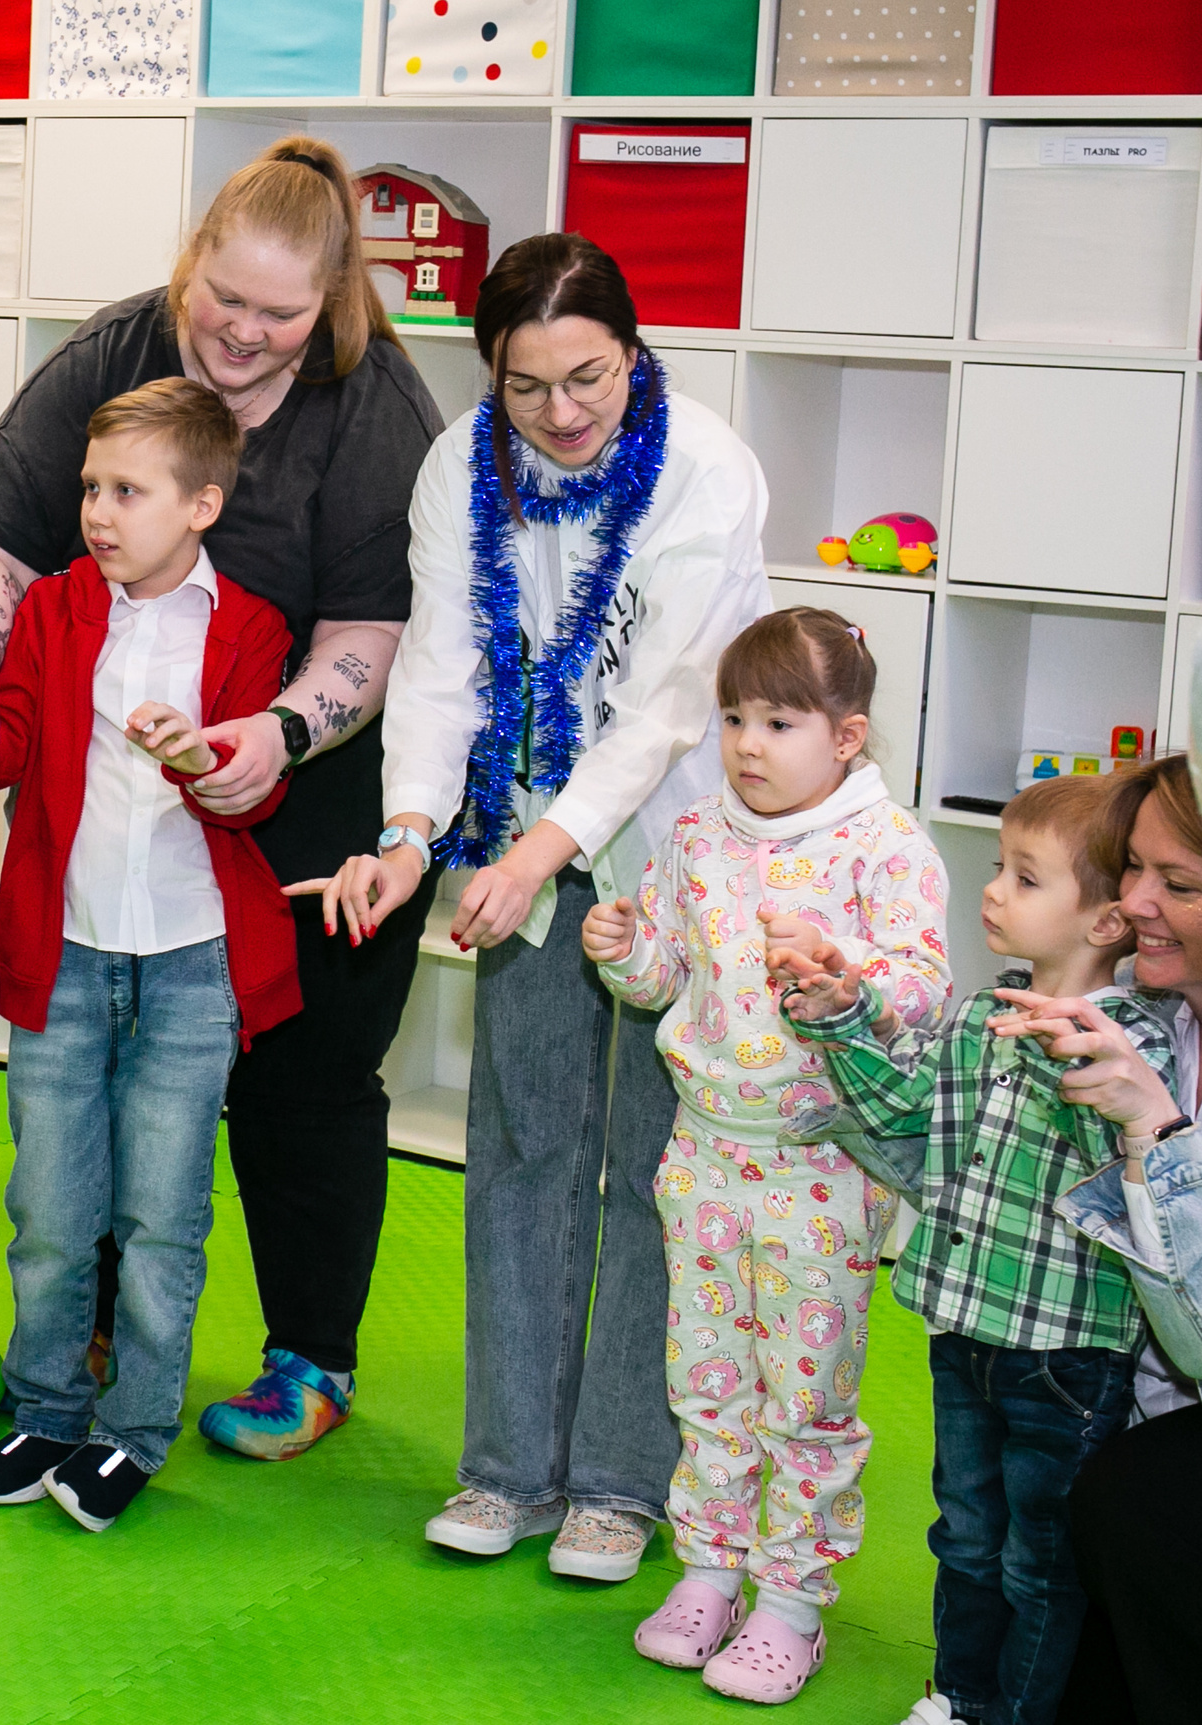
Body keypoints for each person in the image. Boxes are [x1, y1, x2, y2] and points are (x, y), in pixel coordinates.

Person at [0, 136, 442, 1460]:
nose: (241, 330)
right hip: (124, 799)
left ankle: (305, 1359)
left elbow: (378, 630)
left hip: (322, 785)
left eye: (279, 315)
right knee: (95, 1069)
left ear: (330, 306)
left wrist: (280, 733)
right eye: (224, 296)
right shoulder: (116, 354)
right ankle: (81, 1342)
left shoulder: (376, 411)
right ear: (191, 264)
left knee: (303, 1076)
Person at [296, 232, 770, 1567]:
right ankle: (507, 1469)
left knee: (654, 1170)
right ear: (489, 375)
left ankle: (624, 1480)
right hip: (517, 842)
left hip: (680, 853)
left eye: (589, 378)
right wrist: (409, 832)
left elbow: (668, 707)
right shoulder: (462, 467)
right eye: (527, 385)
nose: (562, 414)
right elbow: (442, 667)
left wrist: (531, 855)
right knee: (520, 1152)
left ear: (635, 356)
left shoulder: (707, 477)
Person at [0, 379, 297, 1530]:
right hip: (63, 955)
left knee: (161, 1220)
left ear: (199, 505)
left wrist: (203, 757)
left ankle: (133, 1431)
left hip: (191, 967)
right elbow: (6, 753)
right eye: (90, 487)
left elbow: (247, 800)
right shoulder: (49, 611)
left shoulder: (249, 628)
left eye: (125, 491)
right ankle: (45, 1409)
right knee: (48, 1206)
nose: (96, 510)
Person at [583, 609, 950, 1703]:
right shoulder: (697, 838)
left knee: (805, 1398)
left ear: (845, 736)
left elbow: (923, 991)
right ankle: (707, 1572)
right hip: (701, 1157)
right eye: (735, 716)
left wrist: (852, 982)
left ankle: (791, 1601)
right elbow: (662, 981)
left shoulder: (887, 848)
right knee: (704, 1384)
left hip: (818, 1171)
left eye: (779, 721)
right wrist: (625, 950)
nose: (746, 742)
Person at [778, 771, 1162, 1725]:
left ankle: (1013, 1712)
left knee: (1040, 1557)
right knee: (966, 1535)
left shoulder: (1130, 1042)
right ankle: (955, 1695)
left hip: (1069, 1354)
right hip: (964, 1331)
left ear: (1106, 922)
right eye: (998, 868)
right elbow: (904, 1104)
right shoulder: (979, 1011)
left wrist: (1071, 1064)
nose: (992, 891)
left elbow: (1121, 1177)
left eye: (1025, 878)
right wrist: (839, 1014)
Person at [975, 754, 1202, 1725]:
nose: (1134, 900)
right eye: (1128, 866)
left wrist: (1153, 1138)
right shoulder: (1151, 1024)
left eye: (1178, 883)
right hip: (1133, 1404)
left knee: (1127, 1498)